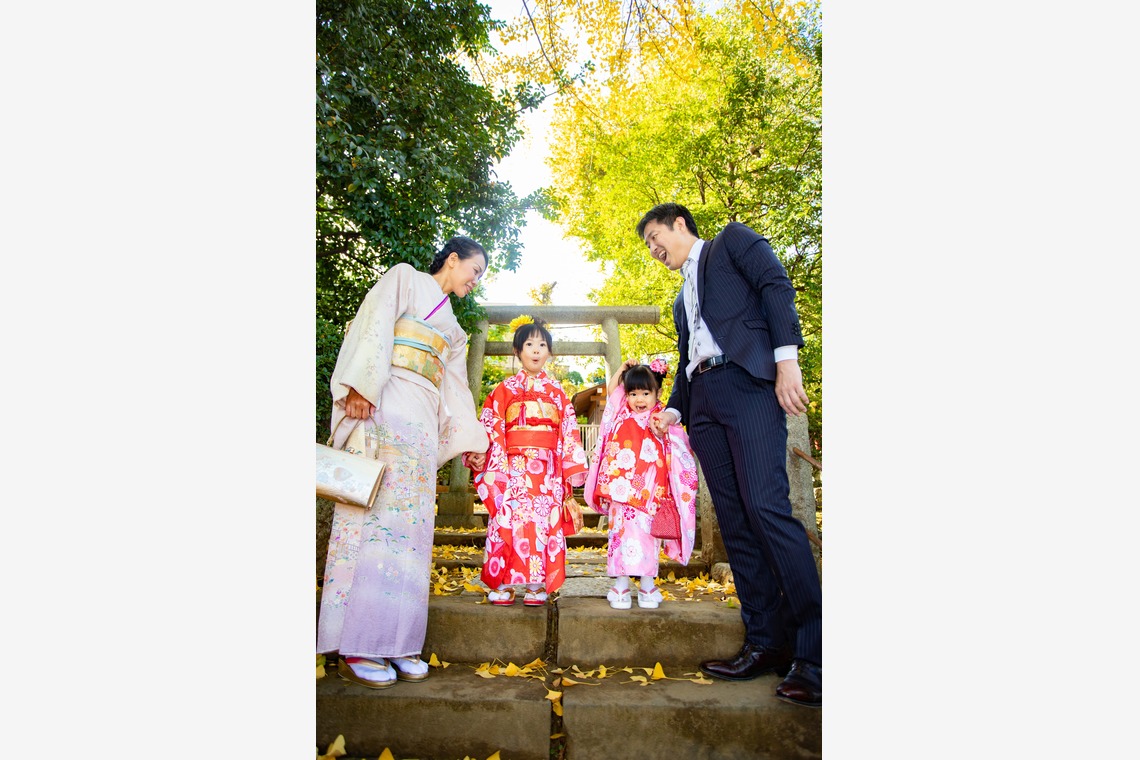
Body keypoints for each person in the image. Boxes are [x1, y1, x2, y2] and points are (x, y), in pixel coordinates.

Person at [637, 202, 822, 708]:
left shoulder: (731, 243)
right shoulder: (681, 302)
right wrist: (675, 411)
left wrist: (787, 362)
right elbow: (684, 359)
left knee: (766, 508)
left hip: (749, 384)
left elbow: (775, 287)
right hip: (704, 403)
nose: (655, 251)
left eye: (657, 237)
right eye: (648, 247)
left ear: (680, 225)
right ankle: (765, 641)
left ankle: (816, 655)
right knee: (736, 522)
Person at [316, 237, 492, 689]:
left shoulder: (453, 326)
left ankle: (398, 642)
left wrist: (469, 436)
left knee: (411, 530)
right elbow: (372, 327)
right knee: (372, 519)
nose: (475, 281)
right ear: (452, 260)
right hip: (385, 402)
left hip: (422, 420)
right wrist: (360, 385)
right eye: (474, 270)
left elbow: (454, 387)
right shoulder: (404, 278)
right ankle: (358, 643)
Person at [464, 317, 589, 607]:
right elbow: (491, 425)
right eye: (529, 344)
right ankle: (504, 583)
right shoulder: (503, 390)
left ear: (549, 353)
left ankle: (536, 584)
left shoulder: (558, 394)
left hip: (546, 472)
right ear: (517, 351)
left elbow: (568, 433)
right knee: (507, 520)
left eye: (542, 345)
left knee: (542, 523)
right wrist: (483, 452)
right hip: (512, 469)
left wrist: (567, 471)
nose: (536, 350)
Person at [583, 358, 698, 610]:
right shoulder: (622, 410)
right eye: (633, 393)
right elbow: (614, 391)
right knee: (619, 537)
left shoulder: (663, 417)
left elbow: (680, 448)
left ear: (658, 392)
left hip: (651, 492)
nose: (639, 399)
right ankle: (621, 586)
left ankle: (647, 585)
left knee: (649, 537)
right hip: (620, 491)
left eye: (646, 393)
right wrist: (620, 370)